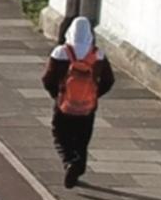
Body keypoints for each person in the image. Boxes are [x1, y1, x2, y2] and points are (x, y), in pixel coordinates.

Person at [43, 14, 115, 187]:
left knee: (60, 134)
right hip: (88, 107)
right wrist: (94, 94)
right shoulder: (97, 55)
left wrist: (57, 94)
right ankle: (78, 167)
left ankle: (69, 161)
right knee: (82, 138)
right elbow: (109, 80)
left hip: (64, 105)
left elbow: (47, 79)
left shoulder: (61, 52)